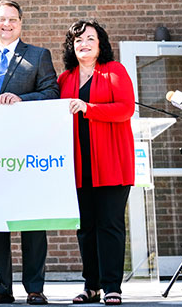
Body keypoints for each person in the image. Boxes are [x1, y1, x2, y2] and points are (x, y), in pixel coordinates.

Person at [0, 0, 59, 306]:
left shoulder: (38, 55)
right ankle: (0, 288)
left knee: (32, 221)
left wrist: (22, 99)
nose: (6, 25)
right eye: (1, 19)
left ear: (20, 23)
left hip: (28, 152)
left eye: (12, 20)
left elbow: (52, 93)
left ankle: (35, 288)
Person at [57, 20, 135, 307]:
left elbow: (126, 108)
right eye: (78, 40)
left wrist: (89, 108)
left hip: (112, 162)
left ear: (100, 44)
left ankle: (112, 286)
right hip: (79, 165)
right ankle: (91, 286)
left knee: (110, 225)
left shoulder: (114, 71)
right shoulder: (66, 79)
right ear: (72, 47)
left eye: (90, 38)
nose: (84, 44)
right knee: (86, 227)